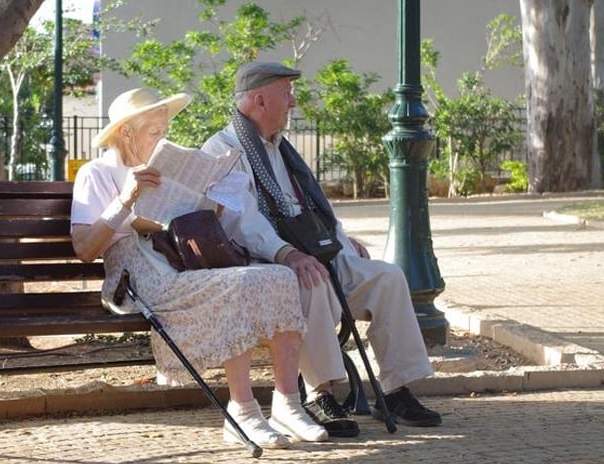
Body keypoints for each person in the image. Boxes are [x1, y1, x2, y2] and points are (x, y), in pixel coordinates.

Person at [71, 87, 329, 449]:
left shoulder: (163, 167)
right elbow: (85, 248)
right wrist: (125, 198)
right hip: (137, 274)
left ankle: (287, 403)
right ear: (126, 131)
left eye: (164, 130)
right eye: (154, 132)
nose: (162, 138)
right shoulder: (96, 173)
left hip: (180, 260)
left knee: (279, 276)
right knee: (236, 285)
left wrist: (211, 203)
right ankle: (242, 410)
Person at [201, 61, 442, 437]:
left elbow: (310, 209)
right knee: (310, 281)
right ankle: (320, 392)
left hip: (314, 252)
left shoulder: (281, 148)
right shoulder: (223, 149)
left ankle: (396, 389)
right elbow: (240, 221)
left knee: (387, 277)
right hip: (270, 261)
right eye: (287, 93)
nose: (294, 103)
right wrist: (287, 254)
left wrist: (342, 243)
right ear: (259, 99)